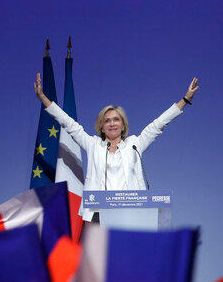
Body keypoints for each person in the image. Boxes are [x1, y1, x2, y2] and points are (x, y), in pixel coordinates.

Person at [34, 74, 200, 222]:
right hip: (97, 214)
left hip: (131, 214)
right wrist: (43, 99)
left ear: (123, 125)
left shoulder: (135, 144)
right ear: (102, 126)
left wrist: (185, 100)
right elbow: (69, 124)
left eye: (116, 120)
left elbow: (158, 125)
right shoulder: (93, 145)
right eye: (107, 121)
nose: (112, 123)